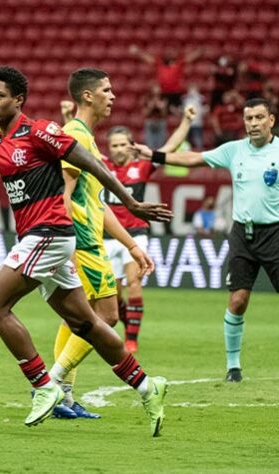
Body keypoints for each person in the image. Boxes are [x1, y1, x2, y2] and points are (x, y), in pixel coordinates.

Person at [0, 66, 171, 436]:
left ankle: (43, 385)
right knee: (88, 323)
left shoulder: (41, 132)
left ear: (19, 100)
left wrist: (131, 202)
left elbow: (92, 164)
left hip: (48, 233)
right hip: (40, 238)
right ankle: (147, 387)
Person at [133, 97, 279, 383]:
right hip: (243, 233)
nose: (253, 124)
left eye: (259, 118)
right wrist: (155, 155)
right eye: (248, 119)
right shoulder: (234, 150)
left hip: (275, 233)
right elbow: (193, 158)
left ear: (271, 120)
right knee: (237, 300)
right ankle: (233, 367)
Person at [49, 68, 157, 420]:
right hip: (81, 243)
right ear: (88, 96)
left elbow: (99, 204)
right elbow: (62, 195)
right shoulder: (74, 136)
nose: (114, 96)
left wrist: (132, 246)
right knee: (108, 316)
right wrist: (64, 245)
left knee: (76, 317)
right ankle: (53, 383)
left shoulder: (88, 140)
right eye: (107, 90)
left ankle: (61, 395)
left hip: (87, 240)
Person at [103, 106, 196, 354]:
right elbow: (77, 146)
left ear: (131, 146)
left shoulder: (141, 167)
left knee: (134, 282)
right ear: (109, 149)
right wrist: (69, 116)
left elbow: (169, 149)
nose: (119, 149)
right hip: (108, 236)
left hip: (136, 233)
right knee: (112, 294)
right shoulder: (100, 167)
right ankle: (128, 322)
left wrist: (186, 121)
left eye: (123, 144)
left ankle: (131, 339)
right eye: (114, 145)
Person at [130, 45, 203, 114]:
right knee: (163, 111)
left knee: (178, 112)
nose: (170, 54)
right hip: (164, 93)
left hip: (176, 93)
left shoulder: (179, 64)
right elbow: (149, 59)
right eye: (168, 53)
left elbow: (189, 58)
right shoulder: (159, 64)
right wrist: (138, 52)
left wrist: (199, 52)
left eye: (171, 53)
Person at [142, 84, 169, 149]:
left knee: (161, 144)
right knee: (150, 144)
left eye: (158, 94)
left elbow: (165, 114)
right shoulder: (147, 99)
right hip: (150, 122)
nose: (156, 96)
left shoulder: (164, 99)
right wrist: (151, 107)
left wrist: (162, 108)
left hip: (160, 122)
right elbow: (145, 113)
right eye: (154, 94)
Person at [182, 84, 207, 150]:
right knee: (186, 141)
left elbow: (205, 109)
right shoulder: (185, 99)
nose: (192, 91)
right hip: (187, 123)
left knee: (198, 140)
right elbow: (183, 109)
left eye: (194, 89)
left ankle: (200, 153)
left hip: (197, 123)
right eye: (190, 89)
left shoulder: (201, 98)